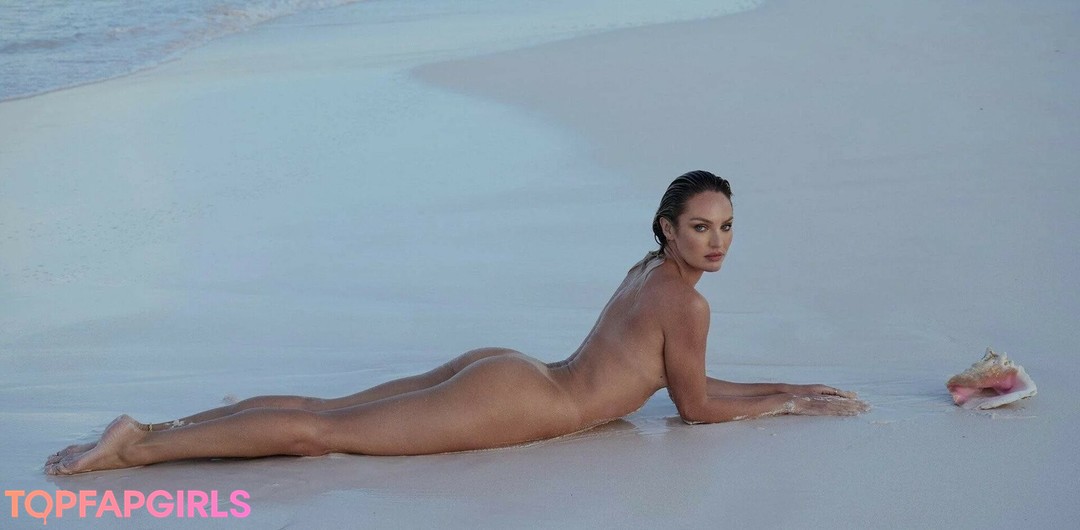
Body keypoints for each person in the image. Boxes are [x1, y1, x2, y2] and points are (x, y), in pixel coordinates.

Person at [45, 170, 868, 475]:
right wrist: (786, 402)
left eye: (726, 227)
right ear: (668, 228)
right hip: (521, 401)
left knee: (325, 411)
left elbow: (674, 380)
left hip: (511, 369)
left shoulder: (647, 273)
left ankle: (150, 428)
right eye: (701, 227)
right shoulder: (685, 301)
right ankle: (137, 450)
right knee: (319, 435)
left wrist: (782, 383)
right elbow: (693, 406)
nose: (717, 242)